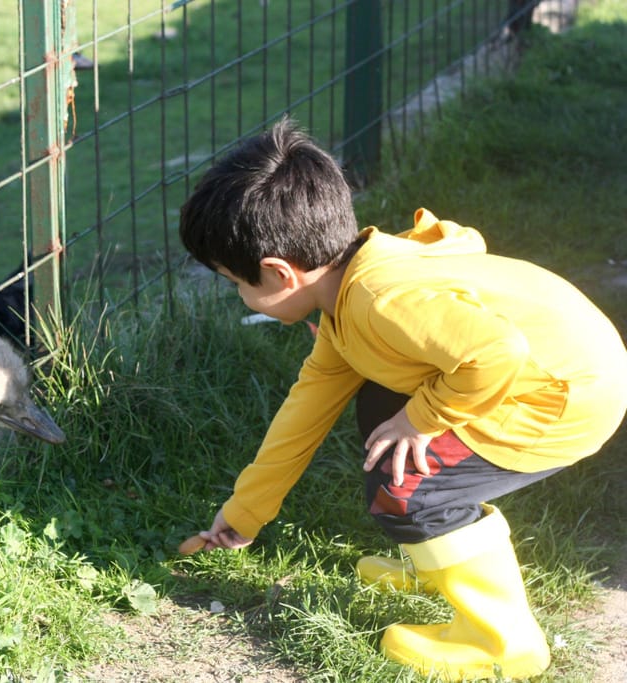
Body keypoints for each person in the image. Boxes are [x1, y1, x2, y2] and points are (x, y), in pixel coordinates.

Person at [178, 116, 627, 681]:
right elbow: (305, 413)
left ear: (277, 272)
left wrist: (422, 418)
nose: (236, 293)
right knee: (381, 409)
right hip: (553, 370)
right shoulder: (353, 288)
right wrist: (245, 513)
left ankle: (503, 642)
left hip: (561, 398)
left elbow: (496, 353)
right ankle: (438, 563)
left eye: (233, 280)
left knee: (405, 490)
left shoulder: (380, 303)